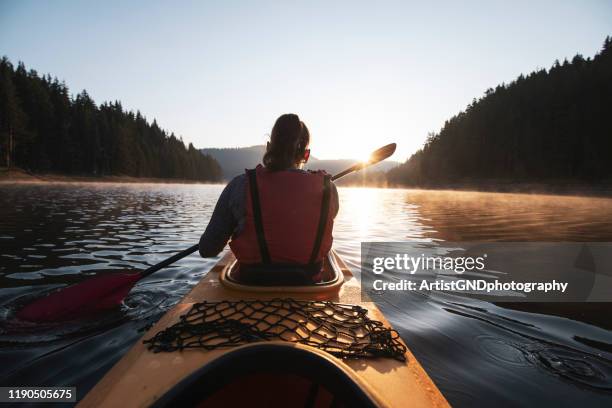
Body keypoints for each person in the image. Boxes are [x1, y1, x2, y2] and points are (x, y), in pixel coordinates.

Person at [199, 113, 339, 284]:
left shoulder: (240, 185)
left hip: (249, 288)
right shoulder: (329, 189)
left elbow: (208, 249)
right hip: (309, 288)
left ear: (268, 147)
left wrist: (236, 227)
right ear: (306, 155)